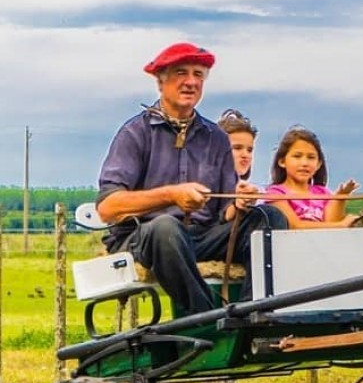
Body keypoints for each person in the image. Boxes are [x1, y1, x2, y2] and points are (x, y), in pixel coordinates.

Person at [96, 42, 288, 315]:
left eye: (198, 75)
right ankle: (205, 320)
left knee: (268, 216)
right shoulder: (135, 133)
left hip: (201, 236)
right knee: (166, 227)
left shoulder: (216, 137)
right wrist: (171, 195)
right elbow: (107, 208)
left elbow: (225, 215)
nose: (190, 82)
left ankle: (250, 315)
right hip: (145, 237)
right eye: (180, 73)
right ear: (160, 81)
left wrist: (241, 202)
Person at [266, 126, 360, 228]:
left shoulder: (323, 193)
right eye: (297, 156)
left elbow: (330, 223)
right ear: (282, 161)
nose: (305, 163)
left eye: (311, 157)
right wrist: (341, 225)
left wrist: (340, 197)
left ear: (318, 164)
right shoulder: (275, 193)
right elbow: (295, 226)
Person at [218, 108, 257, 180]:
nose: (245, 155)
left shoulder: (256, 190)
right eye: (237, 148)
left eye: (249, 150)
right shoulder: (199, 188)